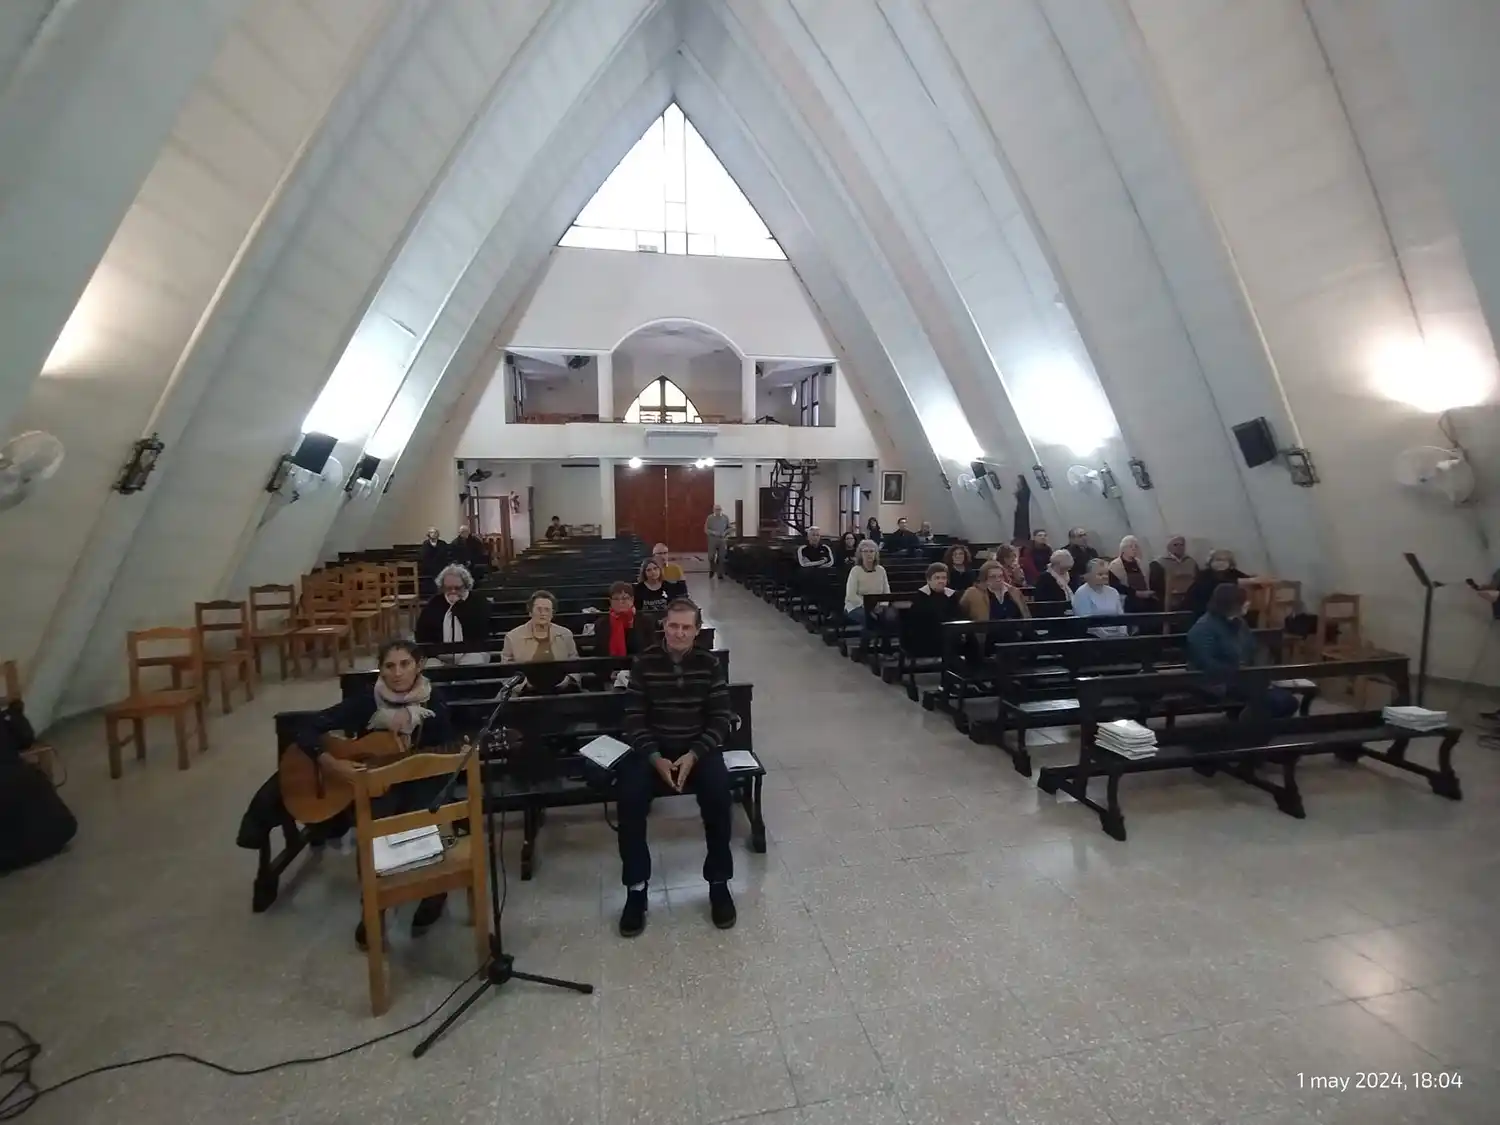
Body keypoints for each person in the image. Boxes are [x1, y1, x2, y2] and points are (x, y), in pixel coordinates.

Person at [289, 639, 452, 949]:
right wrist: (332, 763)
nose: (397, 673)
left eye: (405, 664)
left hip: (422, 779)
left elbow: (445, 750)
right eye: (390, 666)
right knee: (373, 829)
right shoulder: (367, 702)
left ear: (417, 665)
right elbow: (306, 729)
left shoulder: (435, 701)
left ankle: (435, 891)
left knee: (426, 815)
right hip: (377, 782)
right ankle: (375, 905)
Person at [617, 599, 736, 936]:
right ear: (664, 627)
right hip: (653, 751)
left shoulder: (709, 664)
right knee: (629, 798)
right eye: (673, 626)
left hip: (697, 751)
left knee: (718, 797)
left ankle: (718, 881)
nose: (679, 632)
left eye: (686, 627)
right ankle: (636, 889)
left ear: (697, 631)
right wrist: (655, 757)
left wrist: (694, 755)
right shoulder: (644, 663)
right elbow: (634, 719)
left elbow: (720, 718)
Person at [1187, 583, 1298, 718]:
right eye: (1244, 601)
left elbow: (1253, 648)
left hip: (1242, 677)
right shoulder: (1203, 628)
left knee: (1289, 702)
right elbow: (1207, 664)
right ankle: (1247, 731)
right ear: (1230, 604)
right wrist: (1243, 675)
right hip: (1214, 683)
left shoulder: (1239, 623)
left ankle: (1250, 724)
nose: (1248, 603)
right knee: (1275, 702)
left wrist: (1258, 671)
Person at [414, 564, 491, 665]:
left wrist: (459, 607)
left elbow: (483, 631)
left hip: (472, 652)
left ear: (466, 585)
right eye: (448, 588)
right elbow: (422, 633)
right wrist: (433, 652)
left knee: (472, 664)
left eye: (457, 588)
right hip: (439, 655)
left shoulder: (478, 602)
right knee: (431, 666)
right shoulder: (434, 603)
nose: (453, 591)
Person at [902, 563, 964, 657]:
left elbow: (958, 615)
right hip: (925, 639)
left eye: (944, 578)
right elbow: (919, 622)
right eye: (937, 578)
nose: (941, 581)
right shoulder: (921, 596)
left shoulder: (951, 595)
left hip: (948, 634)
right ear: (928, 580)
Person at [500, 589, 579, 663]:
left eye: (547, 610)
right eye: (539, 609)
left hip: (562, 678)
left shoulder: (566, 634)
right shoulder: (512, 637)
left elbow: (575, 664)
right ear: (530, 612)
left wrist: (569, 678)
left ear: (552, 614)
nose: (543, 613)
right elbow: (507, 667)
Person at [584, 581, 651, 658]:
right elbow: (601, 653)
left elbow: (648, 650)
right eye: (616, 599)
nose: (620, 602)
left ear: (632, 599)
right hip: (612, 666)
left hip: (639, 666)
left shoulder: (646, 621)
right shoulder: (602, 623)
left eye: (625, 598)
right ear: (610, 601)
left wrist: (631, 625)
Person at [959, 559, 1031, 621]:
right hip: (987, 634)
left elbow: (1026, 615)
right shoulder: (973, 593)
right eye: (993, 577)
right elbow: (961, 612)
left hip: (1014, 633)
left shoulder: (1014, 592)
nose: (998, 580)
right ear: (985, 579)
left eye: (1000, 576)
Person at [1072, 558, 1127, 636]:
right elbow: (1087, 622)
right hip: (1093, 636)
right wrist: (1107, 636)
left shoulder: (1113, 592)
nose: (1105, 577)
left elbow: (1121, 616)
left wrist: (1123, 633)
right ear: (1088, 575)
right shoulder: (1081, 593)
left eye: (1106, 574)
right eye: (1100, 574)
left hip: (1117, 635)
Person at [1188, 548, 1251, 617]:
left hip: (1228, 609)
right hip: (1204, 610)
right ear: (1211, 561)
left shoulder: (1233, 573)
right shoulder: (1204, 574)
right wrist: (1237, 581)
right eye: (1218, 560)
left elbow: (1248, 579)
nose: (1221, 563)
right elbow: (1211, 586)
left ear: (1230, 563)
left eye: (1224, 560)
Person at [1108, 535, 1159, 614]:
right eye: (1130, 546)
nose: (1134, 549)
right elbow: (1116, 587)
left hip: (1145, 599)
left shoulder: (1141, 563)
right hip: (1127, 602)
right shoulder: (1115, 566)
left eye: (1136, 546)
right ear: (1123, 549)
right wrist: (1136, 593)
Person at [844, 539, 890, 625]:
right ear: (860, 554)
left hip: (878, 605)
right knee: (868, 617)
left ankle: (885, 638)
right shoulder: (855, 570)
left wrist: (883, 605)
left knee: (890, 616)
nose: (869, 554)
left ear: (876, 554)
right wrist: (868, 607)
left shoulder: (881, 570)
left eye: (872, 551)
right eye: (865, 551)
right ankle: (867, 638)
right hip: (857, 605)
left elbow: (886, 591)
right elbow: (851, 595)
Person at [1150, 535, 1199, 608]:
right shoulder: (1158, 564)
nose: (1179, 547)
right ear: (1169, 547)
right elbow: (1155, 586)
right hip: (1167, 602)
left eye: (1181, 545)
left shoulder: (1191, 562)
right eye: (1175, 545)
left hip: (1190, 601)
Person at [1031, 548, 1074, 616]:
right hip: (1053, 616)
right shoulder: (1044, 579)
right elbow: (1043, 604)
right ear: (1055, 565)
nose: (1066, 571)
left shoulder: (1069, 577)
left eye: (1068, 569)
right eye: (1064, 569)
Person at [704, 505, 732, 579]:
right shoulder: (710, 518)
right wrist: (714, 532)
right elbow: (706, 529)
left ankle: (720, 573)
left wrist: (725, 532)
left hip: (722, 540)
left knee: (721, 557)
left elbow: (729, 528)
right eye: (716, 509)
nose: (718, 511)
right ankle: (712, 569)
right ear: (713, 510)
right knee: (711, 557)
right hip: (712, 539)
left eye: (719, 509)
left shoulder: (725, 518)